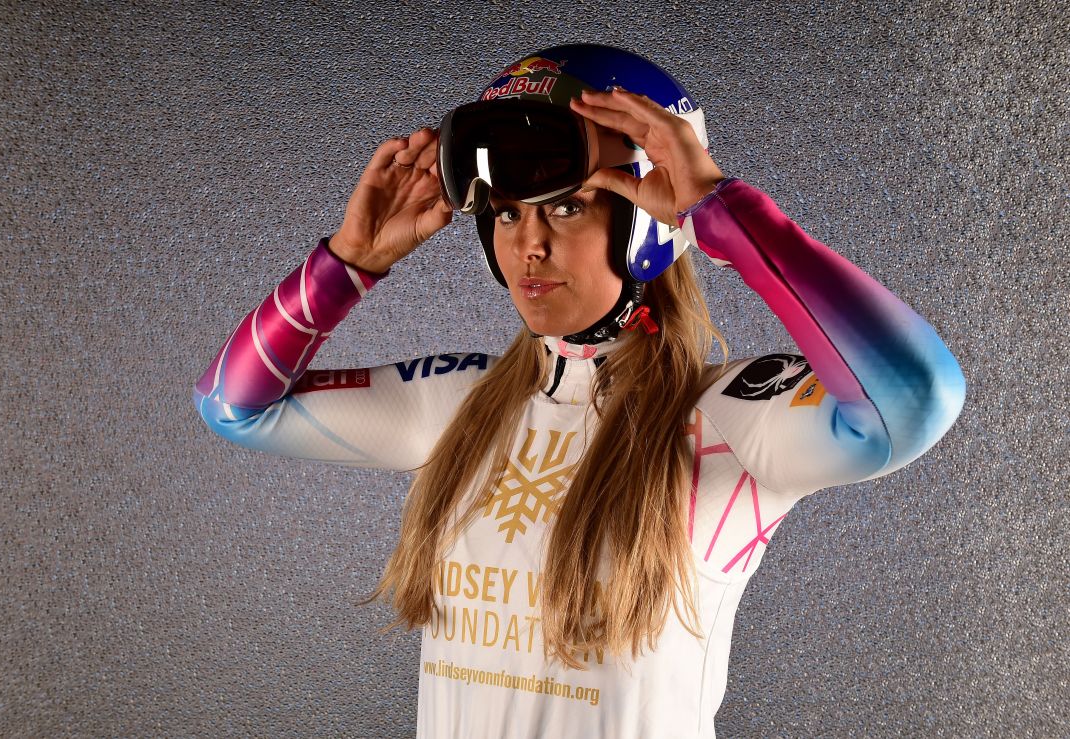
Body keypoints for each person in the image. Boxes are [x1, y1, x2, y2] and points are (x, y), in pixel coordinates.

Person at [193, 44, 965, 738]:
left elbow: (917, 396)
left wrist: (720, 210)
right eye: (506, 214)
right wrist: (347, 263)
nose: (529, 243)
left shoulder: (727, 420)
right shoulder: (459, 405)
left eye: (567, 205)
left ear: (647, 221)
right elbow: (233, 404)